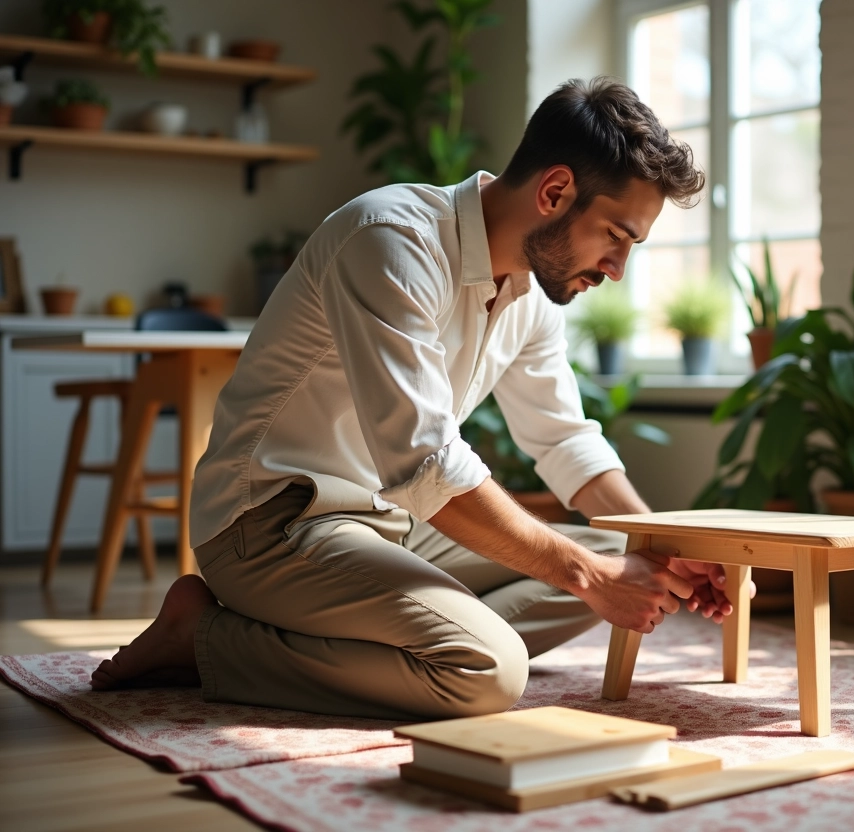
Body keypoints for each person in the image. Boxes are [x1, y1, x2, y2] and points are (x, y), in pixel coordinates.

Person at [90, 78, 752, 721]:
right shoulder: (390, 239)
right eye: (617, 236)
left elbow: (564, 439)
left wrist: (659, 548)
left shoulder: (529, 292)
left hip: (396, 523)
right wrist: (594, 574)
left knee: (614, 564)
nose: (617, 269)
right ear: (555, 191)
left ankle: (416, 635)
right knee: (492, 669)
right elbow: (427, 464)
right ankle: (203, 638)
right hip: (273, 522)